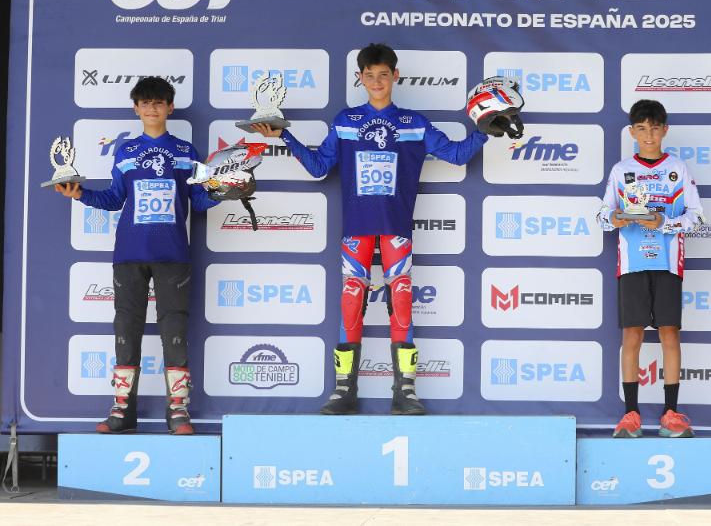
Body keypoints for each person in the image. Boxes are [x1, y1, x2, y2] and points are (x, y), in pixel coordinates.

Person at [252, 43, 488, 415]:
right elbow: (319, 166)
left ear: (395, 76)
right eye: (369, 75)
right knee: (351, 304)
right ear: (360, 78)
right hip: (357, 229)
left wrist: (485, 129)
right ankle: (344, 391)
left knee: (402, 303)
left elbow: (456, 154)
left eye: (383, 75)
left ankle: (405, 392)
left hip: (396, 228)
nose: (377, 82)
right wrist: (283, 136)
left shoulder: (413, 122)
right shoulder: (346, 121)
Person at [54, 76, 218, 434]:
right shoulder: (126, 151)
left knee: (174, 330)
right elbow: (115, 198)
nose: (152, 108)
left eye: (159, 102)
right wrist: (80, 194)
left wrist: (225, 191)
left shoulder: (186, 151)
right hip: (129, 254)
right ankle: (122, 409)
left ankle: (178, 410)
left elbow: (199, 200)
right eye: (145, 102)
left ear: (170, 107)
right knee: (126, 330)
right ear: (136, 108)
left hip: (173, 254)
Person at [597, 99, 703, 439]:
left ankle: (671, 414)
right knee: (632, 335)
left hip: (668, 262)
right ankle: (631, 414)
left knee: (670, 334)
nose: (648, 135)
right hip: (632, 264)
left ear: (665, 130)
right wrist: (617, 217)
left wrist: (664, 222)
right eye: (641, 129)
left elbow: (697, 217)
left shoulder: (678, 169)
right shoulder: (621, 170)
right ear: (632, 132)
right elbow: (602, 216)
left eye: (655, 129)